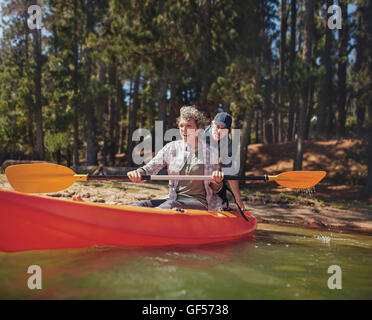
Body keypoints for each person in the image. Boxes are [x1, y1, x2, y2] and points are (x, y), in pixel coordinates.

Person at [127, 106, 224, 210]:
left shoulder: (210, 153)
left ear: (198, 129)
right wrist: (139, 172)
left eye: (189, 126)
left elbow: (215, 189)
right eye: (181, 126)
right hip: (174, 199)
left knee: (168, 206)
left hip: (199, 203)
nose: (184, 130)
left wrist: (217, 181)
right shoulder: (171, 147)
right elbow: (151, 168)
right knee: (140, 205)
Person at [205, 112, 246, 210]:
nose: (219, 131)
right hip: (194, 171)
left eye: (223, 129)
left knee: (221, 183)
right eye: (217, 126)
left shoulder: (227, 144)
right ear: (212, 124)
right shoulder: (199, 135)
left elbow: (230, 171)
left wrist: (238, 199)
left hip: (211, 172)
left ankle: (220, 206)